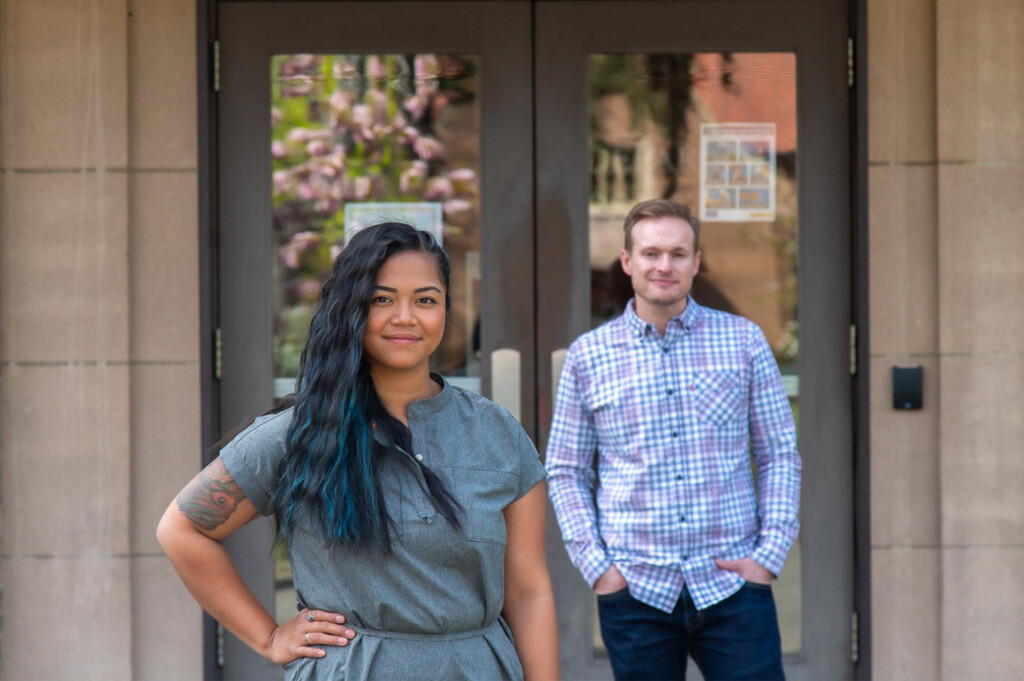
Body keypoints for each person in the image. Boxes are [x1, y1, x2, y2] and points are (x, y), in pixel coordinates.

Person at [158, 222, 558, 681]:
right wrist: (267, 637)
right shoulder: (299, 433)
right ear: (351, 309)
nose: (405, 317)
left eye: (425, 300)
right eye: (381, 299)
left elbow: (528, 591)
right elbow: (181, 529)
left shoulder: (496, 431)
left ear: (446, 309)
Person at [546, 199, 800, 681]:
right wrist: (599, 569)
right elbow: (566, 469)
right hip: (635, 590)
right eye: (651, 253)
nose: (665, 266)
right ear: (627, 261)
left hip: (732, 587)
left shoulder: (743, 341)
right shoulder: (588, 356)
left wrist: (767, 557)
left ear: (696, 262)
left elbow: (779, 454)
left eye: (678, 254)